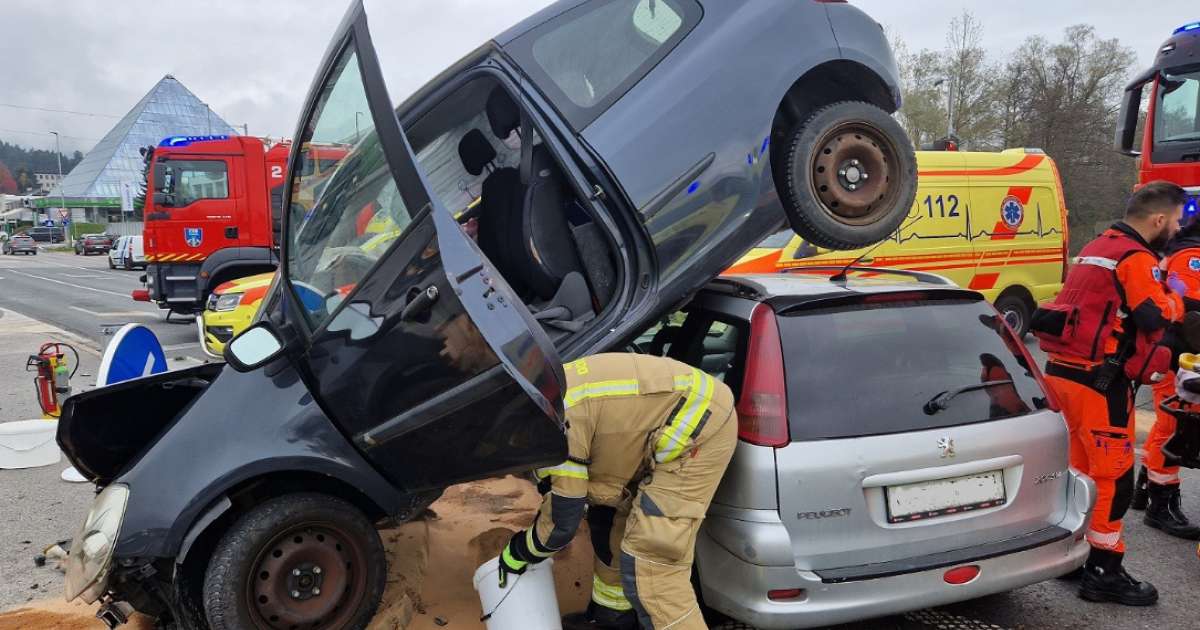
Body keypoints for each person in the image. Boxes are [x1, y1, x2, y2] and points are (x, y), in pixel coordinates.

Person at [497, 353, 737, 630]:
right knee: (610, 526)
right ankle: (613, 622)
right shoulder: (541, 397)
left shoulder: (555, 429)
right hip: (660, 426)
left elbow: (561, 524)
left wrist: (516, 554)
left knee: (652, 568)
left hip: (696, 431)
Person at [1033, 181, 1189, 606]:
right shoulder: (1136, 258)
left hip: (1063, 375)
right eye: (1176, 220)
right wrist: (1177, 300)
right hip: (1100, 381)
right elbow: (1152, 315)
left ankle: (1075, 556)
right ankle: (1104, 569)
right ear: (1158, 219)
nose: (1177, 227)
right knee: (1114, 477)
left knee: (1080, 472)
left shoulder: (1099, 245)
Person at [1132, 215, 1200, 539]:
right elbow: (1191, 307)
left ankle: (1145, 487)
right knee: (1171, 426)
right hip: (1175, 352)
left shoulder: (1184, 250)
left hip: (1176, 350)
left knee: (1167, 423)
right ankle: (1161, 505)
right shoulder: (1191, 255)